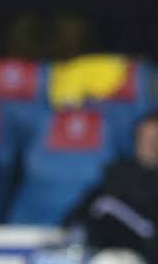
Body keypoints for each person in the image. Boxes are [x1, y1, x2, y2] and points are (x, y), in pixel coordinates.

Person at [64, 111, 158, 263]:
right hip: (104, 251)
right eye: (144, 138)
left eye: (155, 139)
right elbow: (79, 214)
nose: (150, 145)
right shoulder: (117, 174)